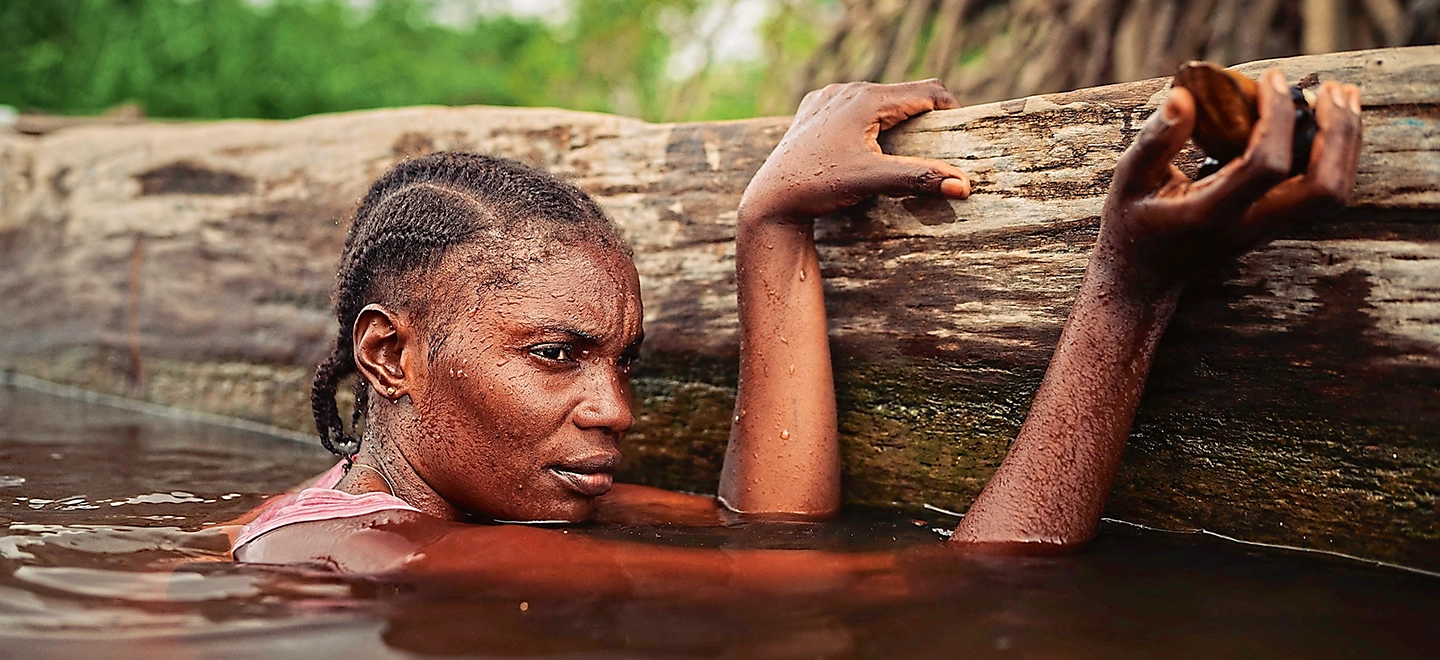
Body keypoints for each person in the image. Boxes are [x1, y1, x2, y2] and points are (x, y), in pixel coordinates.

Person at [231, 73, 1362, 589]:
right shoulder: (376, 549)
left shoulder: (470, 498)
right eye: (557, 355)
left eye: (624, 360)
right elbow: (935, 590)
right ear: (392, 356)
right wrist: (1130, 288)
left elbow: (773, 535)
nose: (616, 410)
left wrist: (770, 221)